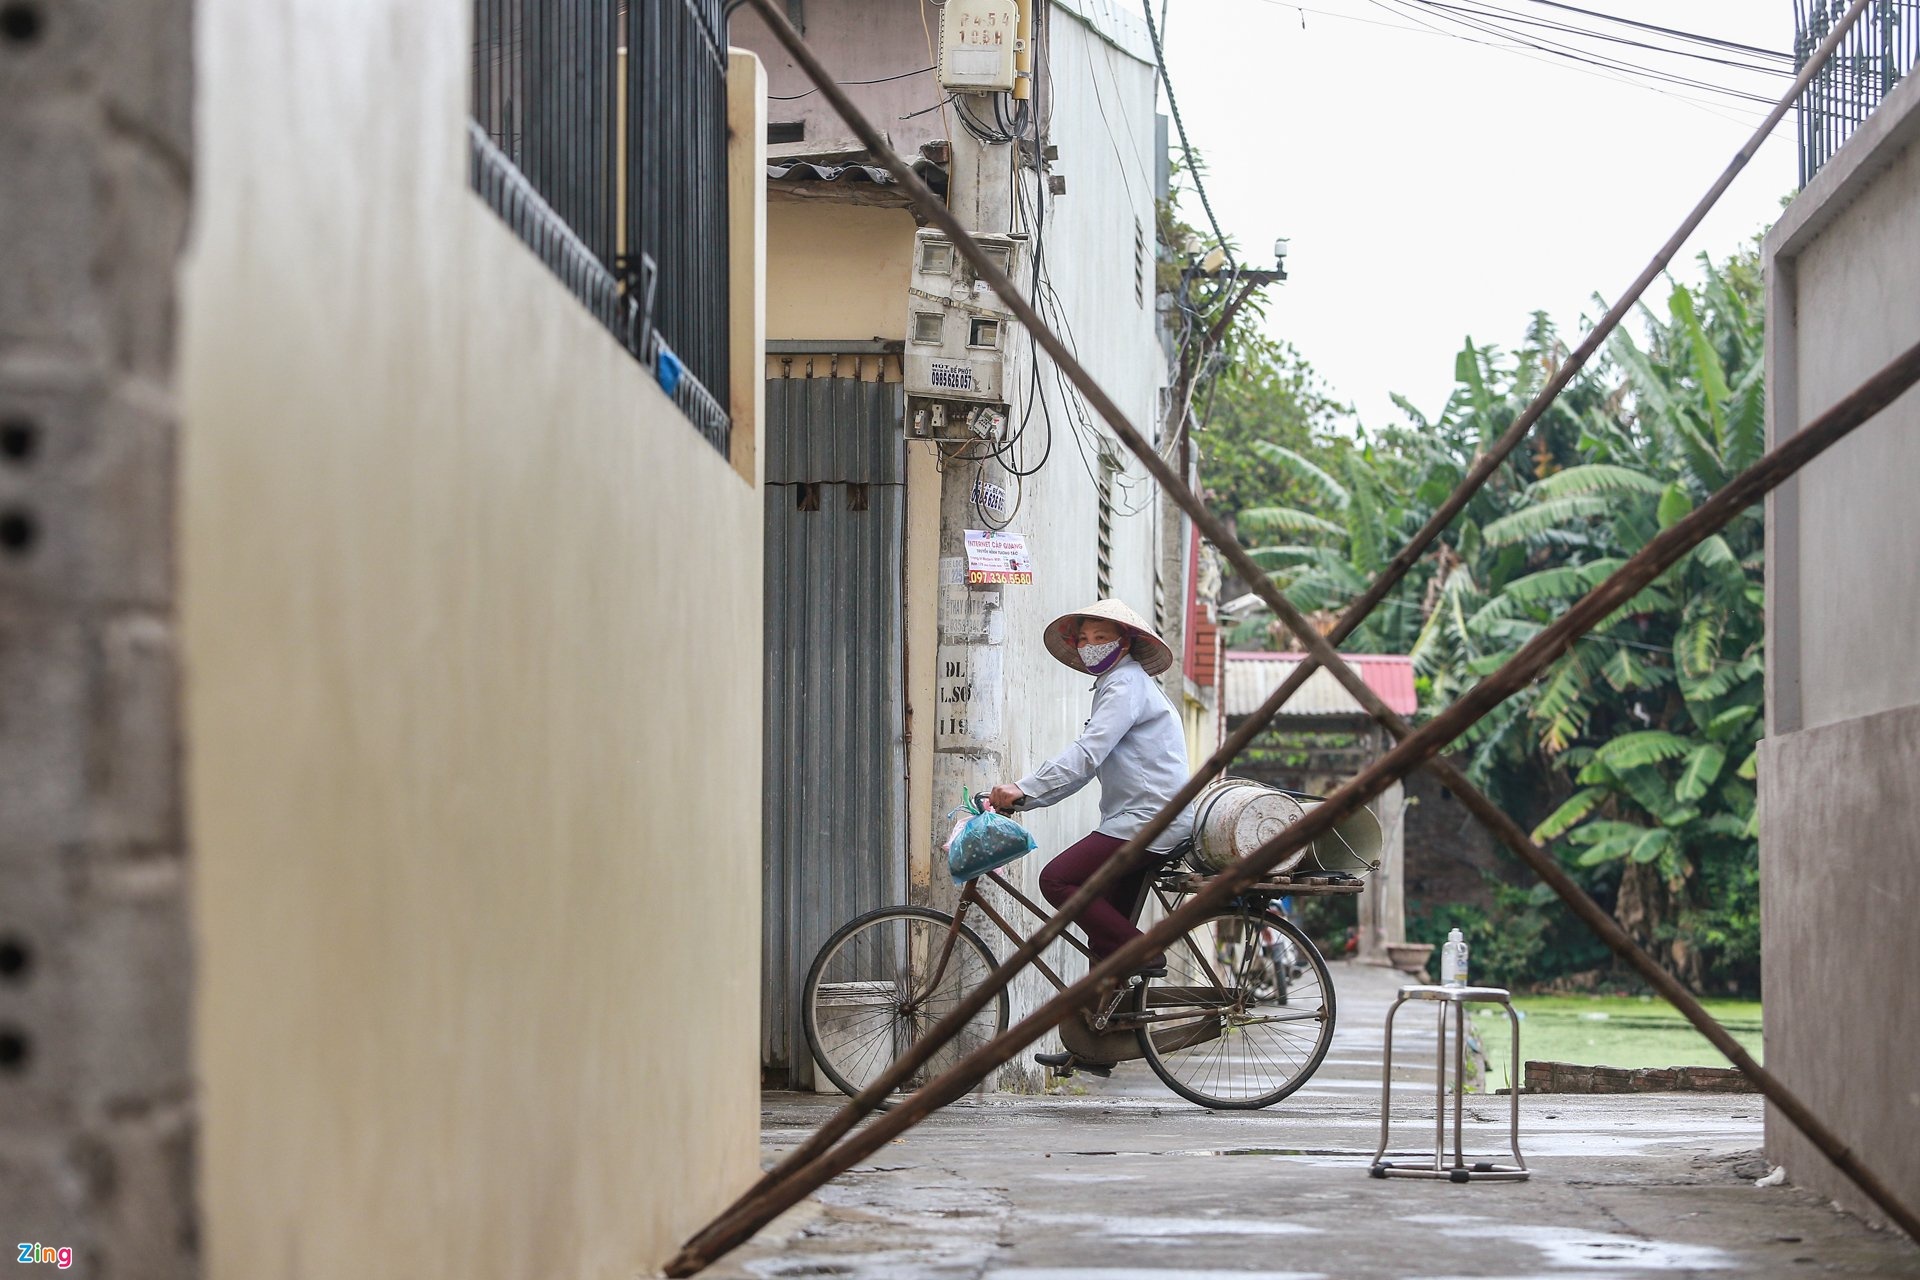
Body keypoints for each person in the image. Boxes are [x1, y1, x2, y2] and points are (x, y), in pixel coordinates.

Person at [990, 600, 1196, 1074]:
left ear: (1124, 643)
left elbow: (1087, 755)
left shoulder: (1125, 684)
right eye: (1082, 639)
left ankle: (1145, 951)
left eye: (1099, 638)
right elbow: (1087, 767)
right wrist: (1027, 798)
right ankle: (1095, 1043)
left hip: (1149, 819)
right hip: (1139, 818)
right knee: (1106, 935)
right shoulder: (1119, 685)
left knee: (1058, 880)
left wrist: (1022, 788)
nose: (1088, 646)